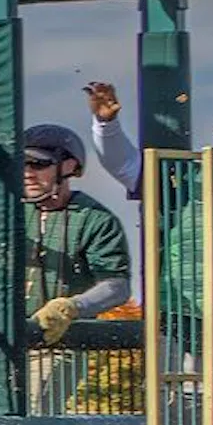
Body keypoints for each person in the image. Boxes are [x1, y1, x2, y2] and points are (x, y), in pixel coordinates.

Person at [19, 120, 134, 346]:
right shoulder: (5, 210)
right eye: (22, 164)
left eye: (39, 164)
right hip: (1, 345)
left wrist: (71, 307)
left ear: (69, 166)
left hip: (62, 345)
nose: (28, 173)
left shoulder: (97, 219)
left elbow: (117, 286)